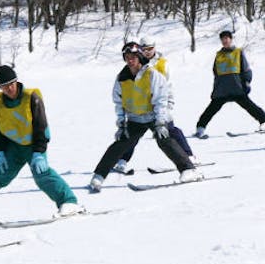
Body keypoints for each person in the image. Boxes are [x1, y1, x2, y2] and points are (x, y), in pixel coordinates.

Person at [0, 65, 83, 221]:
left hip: (34, 145)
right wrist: (1, 152)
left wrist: (39, 152)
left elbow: (41, 125)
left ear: (16, 80)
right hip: (13, 146)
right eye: (4, 86)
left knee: (42, 174)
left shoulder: (31, 97)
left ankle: (69, 202)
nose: (9, 88)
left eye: (11, 83)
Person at [89, 43, 201, 192]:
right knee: (120, 144)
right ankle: (99, 176)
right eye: (127, 58)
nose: (130, 61)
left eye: (133, 57)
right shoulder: (121, 78)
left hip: (153, 115)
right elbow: (119, 102)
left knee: (164, 140)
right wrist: (122, 125)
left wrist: (161, 121)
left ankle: (188, 170)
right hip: (135, 118)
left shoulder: (152, 74)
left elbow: (161, 99)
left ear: (139, 57)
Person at [112, 36, 198, 173]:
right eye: (144, 49)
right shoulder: (137, 64)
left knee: (169, 131)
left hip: (160, 104)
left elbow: (168, 85)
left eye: (150, 49)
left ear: (155, 48)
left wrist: (169, 103)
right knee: (132, 135)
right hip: (141, 107)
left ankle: (188, 156)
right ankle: (122, 160)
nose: (147, 52)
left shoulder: (162, 63)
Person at [194, 30, 265, 138]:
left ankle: (263, 121)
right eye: (223, 39)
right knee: (211, 109)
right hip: (222, 89)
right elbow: (215, 71)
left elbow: (246, 70)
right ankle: (200, 128)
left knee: (250, 106)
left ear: (231, 39)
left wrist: (246, 83)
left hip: (237, 87)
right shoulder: (218, 55)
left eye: (227, 38)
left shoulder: (238, 52)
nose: (225, 41)